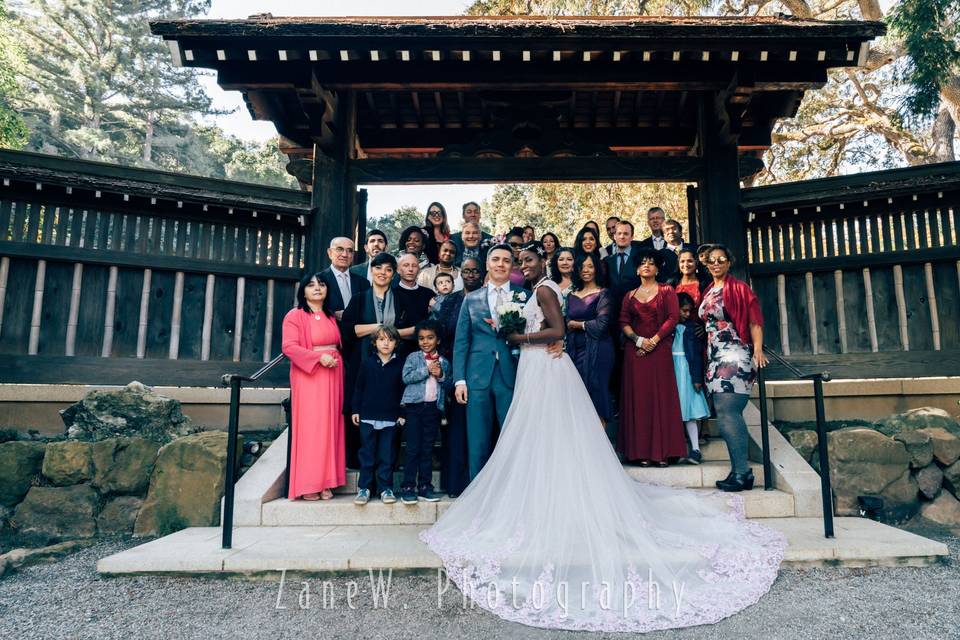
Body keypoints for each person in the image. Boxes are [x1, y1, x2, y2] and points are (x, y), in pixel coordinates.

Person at [420, 241, 786, 634]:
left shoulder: (542, 289)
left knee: (545, 431)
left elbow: (556, 329)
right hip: (529, 369)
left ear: (538, 262)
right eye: (515, 261)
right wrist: (526, 338)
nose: (519, 266)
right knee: (533, 435)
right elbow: (540, 329)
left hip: (542, 366)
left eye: (524, 260)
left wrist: (519, 339)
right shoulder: (522, 292)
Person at [452, 244, 528, 479]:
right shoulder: (471, 299)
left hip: (511, 375)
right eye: (495, 259)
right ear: (487, 264)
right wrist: (459, 380)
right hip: (477, 377)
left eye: (506, 260)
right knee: (478, 439)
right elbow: (461, 341)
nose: (500, 264)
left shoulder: (524, 295)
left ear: (512, 265)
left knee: (513, 437)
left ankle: (512, 490)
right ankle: (478, 494)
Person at [700, 245, 768, 492]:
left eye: (721, 259)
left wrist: (758, 349)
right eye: (711, 260)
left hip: (735, 352)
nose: (716, 263)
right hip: (715, 355)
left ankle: (743, 473)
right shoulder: (709, 289)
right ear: (706, 265)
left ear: (729, 262)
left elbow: (754, 320)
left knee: (728, 410)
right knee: (722, 409)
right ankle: (738, 470)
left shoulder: (739, 288)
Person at [618, 249, 686, 467]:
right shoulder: (629, 295)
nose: (646, 266)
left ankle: (662, 452)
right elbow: (623, 321)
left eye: (651, 263)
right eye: (643, 263)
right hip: (635, 353)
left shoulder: (667, 291)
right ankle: (640, 453)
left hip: (660, 350)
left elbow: (673, 318)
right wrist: (638, 341)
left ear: (657, 268)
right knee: (639, 400)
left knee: (660, 398)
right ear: (637, 268)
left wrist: (653, 340)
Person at [282, 273, 344, 501]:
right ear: (303, 291)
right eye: (311, 285)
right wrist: (317, 358)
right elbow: (288, 347)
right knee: (312, 427)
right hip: (310, 375)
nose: (317, 288)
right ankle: (309, 482)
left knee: (330, 425)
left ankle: (327, 481)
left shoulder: (329, 315)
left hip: (334, 373)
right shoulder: (295, 315)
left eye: (321, 284)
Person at [434, 257, 483, 497]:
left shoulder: (487, 298)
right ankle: (456, 483)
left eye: (476, 271)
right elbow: (441, 333)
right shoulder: (451, 301)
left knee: (481, 429)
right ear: (460, 274)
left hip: (483, 369)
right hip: (457, 368)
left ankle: (481, 481)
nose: (471, 274)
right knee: (457, 427)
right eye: (467, 271)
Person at [350, 325, 404, 505]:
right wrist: (356, 410)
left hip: (390, 417)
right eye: (382, 339)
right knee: (367, 453)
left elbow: (404, 391)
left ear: (396, 343)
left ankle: (385, 488)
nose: (386, 343)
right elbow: (358, 388)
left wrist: (402, 413)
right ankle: (364, 488)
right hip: (368, 416)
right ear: (374, 343)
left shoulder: (400, 364)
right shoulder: (367, 363)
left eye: (390, 339)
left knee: (387, 454)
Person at [400, 319, 451, 504]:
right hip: (414, 408)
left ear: (437, 340)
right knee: (413, 448)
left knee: (427, 449)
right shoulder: (413, 358)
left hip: (432, 410)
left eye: (430, 338)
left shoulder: (444, 361)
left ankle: (425, 487)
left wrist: (441, 375)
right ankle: (408, 487)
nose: (425, 342)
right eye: (421, 338)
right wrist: (426, 370)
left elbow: (448, 383)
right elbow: (406, 377)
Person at [565, 253, 614, 426]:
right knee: (577, 394)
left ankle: (601, 445)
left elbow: (601, 325)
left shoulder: (603, 293)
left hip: (599, 350)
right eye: (582, 267)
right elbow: (565, 323)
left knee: (597, 392)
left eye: (590, 266)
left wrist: (577, 325)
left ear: (597, 269)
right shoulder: (571, 295)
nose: (585, 270)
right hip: (574, 350)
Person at [673, 292, 710, 465]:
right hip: (672, 370)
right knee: (675, 412)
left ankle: (695, 449)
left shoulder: (693, 328)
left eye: (689, 311)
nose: (687, 314)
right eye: (684, 310)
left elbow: (696, 355)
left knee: (689, 413)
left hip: (686, 372)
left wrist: (697, 378)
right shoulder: (668, 327)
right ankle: (678, 449)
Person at [393, 253, 436, 356]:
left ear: (419, 269)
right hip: (398, 350)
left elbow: (435, 325)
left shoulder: (429, 294)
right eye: (406, 265)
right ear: (398, 269)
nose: (411, 269)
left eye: (414, 265)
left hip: (425, 351)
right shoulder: (391, 294)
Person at [319, 237, 370, 320]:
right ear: (330, 253)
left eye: (350, 251)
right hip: (330, 329)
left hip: (358, 331)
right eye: (340, 249)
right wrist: (333, 315)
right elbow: (310, 309)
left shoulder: (363, 283)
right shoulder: (318, 280)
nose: (345, 255)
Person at [549, 247, 576, 316]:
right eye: (561, 259)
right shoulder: (550, 283)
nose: (565, 263)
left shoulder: (580, 283)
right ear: (556, 262)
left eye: (569, 259)